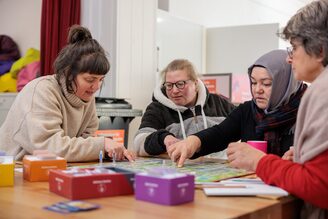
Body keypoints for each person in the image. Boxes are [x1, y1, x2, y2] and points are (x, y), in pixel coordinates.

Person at [227, 0, 328, 218]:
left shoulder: (322, 92)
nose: (290, 59)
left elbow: (320, 187)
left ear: (319, 51)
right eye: (254, 83)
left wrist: (259, 161)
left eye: (294, 48)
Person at [0, 25, 134, 162]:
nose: (96, 87)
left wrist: (108, 150)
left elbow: (87, 141)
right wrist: (102, 144)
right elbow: (48, 147)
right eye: (90, 79)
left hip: (52, 167)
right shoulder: (42, 91)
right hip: (14, 168)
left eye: (101, 80)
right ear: (69, 73)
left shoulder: (86, 97)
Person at [167, 49, 307, 166]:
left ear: (285, 84)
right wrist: (193, 141)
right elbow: (220, 134)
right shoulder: (248, 110)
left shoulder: (309, 111)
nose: (257, 90)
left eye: (266, 84)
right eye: (253, 82)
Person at [133, 59, 235, 156]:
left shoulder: (219, 103)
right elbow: (138, 143)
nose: (174, 90)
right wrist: (162, 138)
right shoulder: (157, 109)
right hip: (181, 169)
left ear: (195, 83)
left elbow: (246, 123)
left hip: (222, 169)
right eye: (169, 85)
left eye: (180, 84)